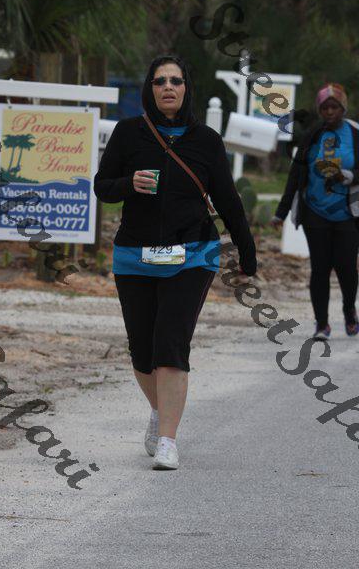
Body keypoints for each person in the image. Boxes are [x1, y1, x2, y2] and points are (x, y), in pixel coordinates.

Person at [94, 55, 257, 470]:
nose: (168, 87)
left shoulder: (206, 141)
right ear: (149, 89)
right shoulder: (128, 133)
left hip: (193, 255)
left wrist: (247, 251)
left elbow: (228, 200)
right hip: (134, 256)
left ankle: (168, 439)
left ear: (187, 88)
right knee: (141, 350)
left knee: (170, 343)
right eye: (160, 81)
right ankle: (160, 409)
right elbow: (102, 187)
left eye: (176, 81)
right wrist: (128, 183)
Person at [272, 83, 359, 340]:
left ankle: (349, 310)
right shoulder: (311, 135)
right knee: (320, 269)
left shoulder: (355, 133)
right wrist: (281, 212)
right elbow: (295, 174)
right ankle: (322, 324)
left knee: (346, 267)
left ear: (343, 108)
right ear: (320, 110)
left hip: (348, 212)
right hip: (315, 211)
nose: (330, 112)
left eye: (335, 107)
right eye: (325, 108)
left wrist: (350, 176)